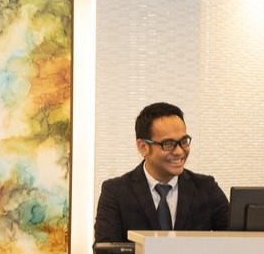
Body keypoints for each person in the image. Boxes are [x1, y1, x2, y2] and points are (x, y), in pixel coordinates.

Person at [94, 102, 229, 243]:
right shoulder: (116, 192)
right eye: (168, 144)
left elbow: (238, 242)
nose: (179, 151)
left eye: (184, 141)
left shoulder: (206, 188)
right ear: (143, 147)